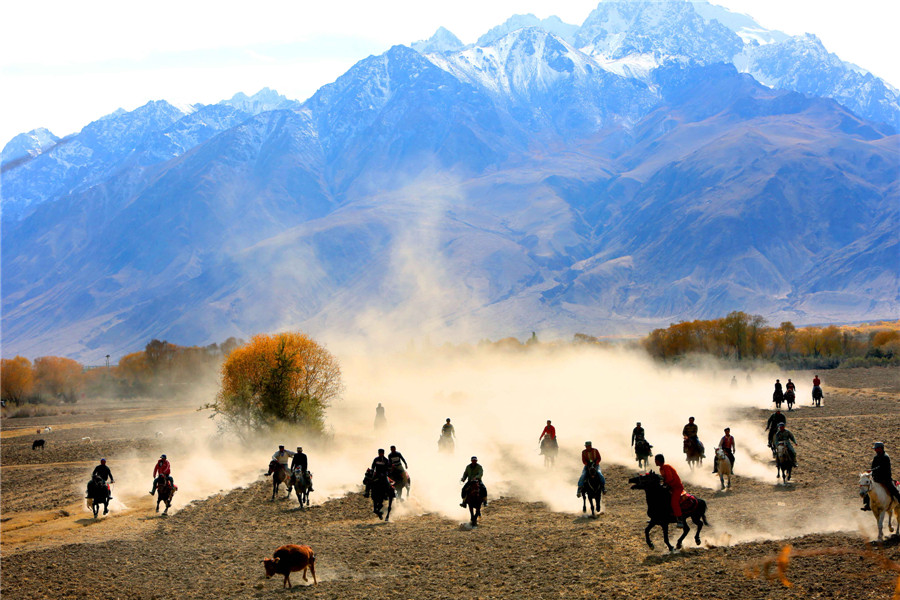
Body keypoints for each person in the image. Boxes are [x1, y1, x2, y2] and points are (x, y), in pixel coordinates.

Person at [863, 442, 900, 510]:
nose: (875, 450)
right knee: (868, 488)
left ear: (880, 448)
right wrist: (871, 471)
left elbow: (881, 467)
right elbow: (873, 466)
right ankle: (867, 504)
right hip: (876, 478)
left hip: (885, 478)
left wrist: (872, 470)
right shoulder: (876, 457)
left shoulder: (886, 457)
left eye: (876, 449)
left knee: (893, 490)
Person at [655, 454, 685, 526]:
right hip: (671, 486)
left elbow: (670, 478)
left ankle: (679, 519)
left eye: (655, 460)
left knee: (674, 502)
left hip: (676, 487)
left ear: (658, 461)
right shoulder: (661, 468)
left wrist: (665, 483)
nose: (655, 462)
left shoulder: (666, 467)